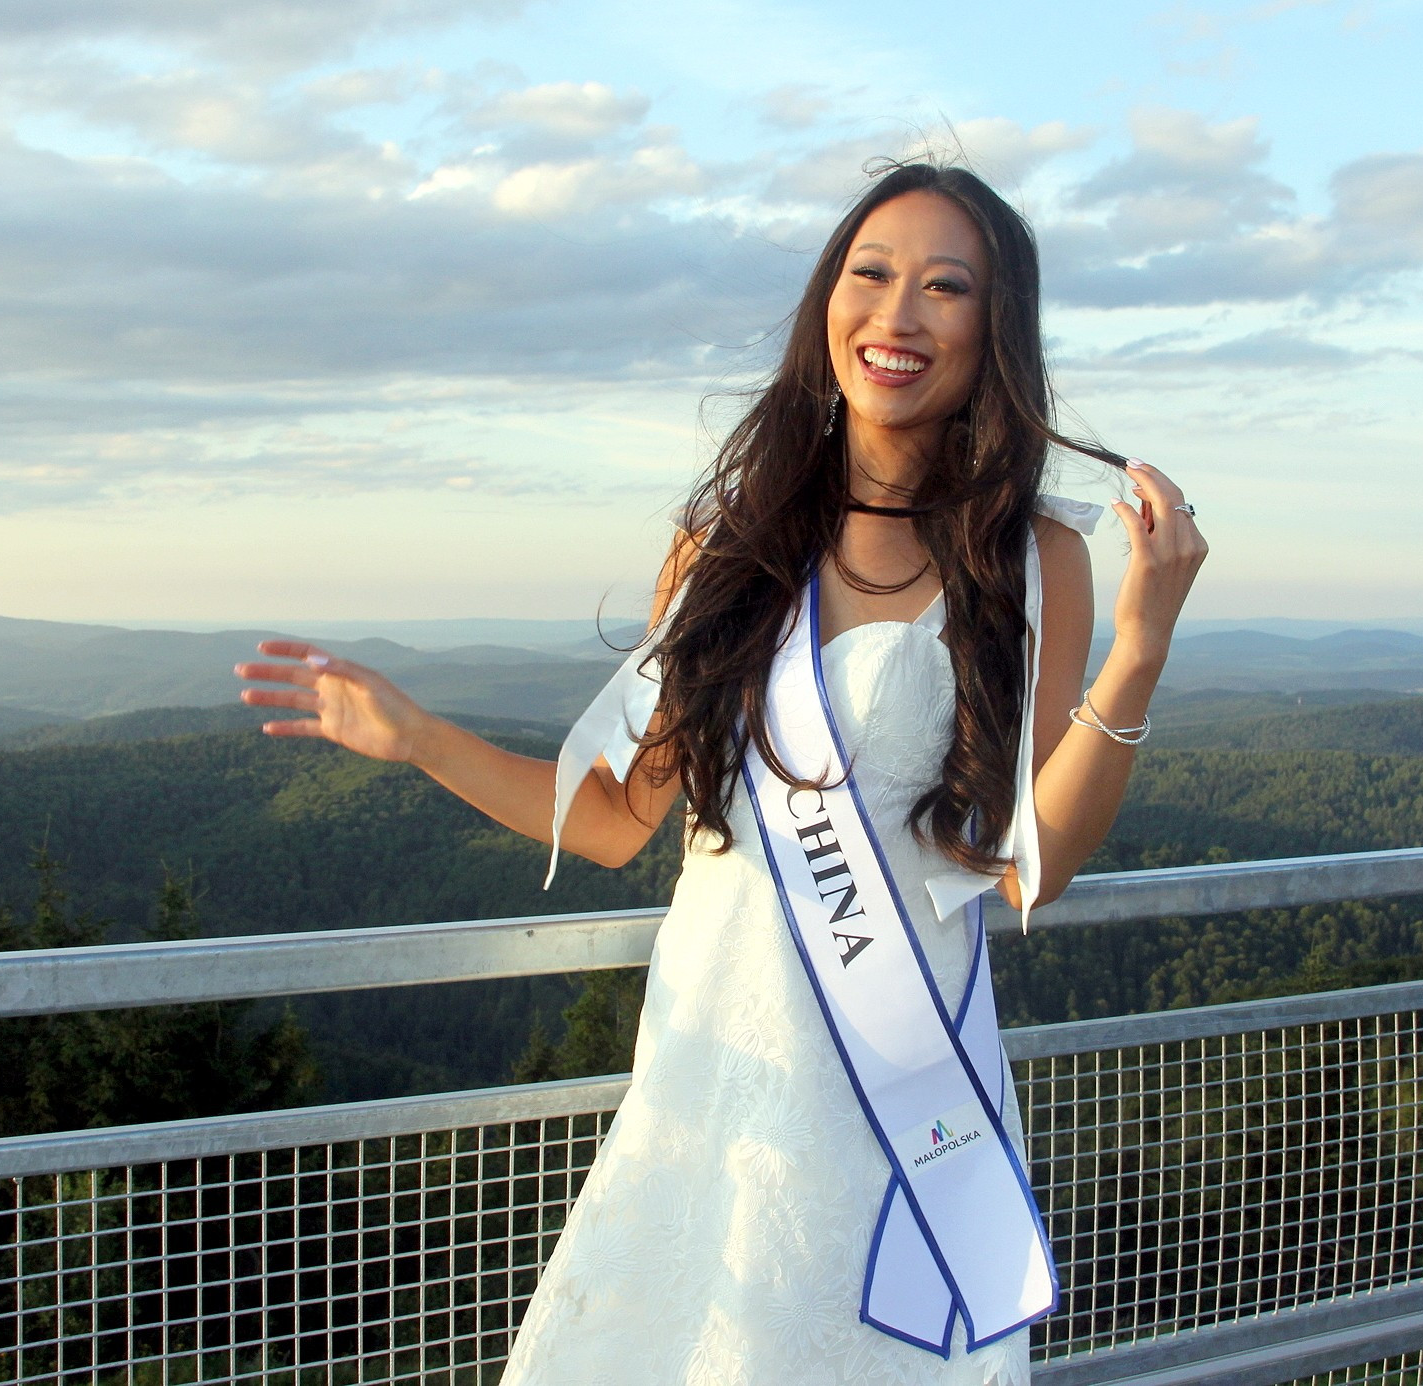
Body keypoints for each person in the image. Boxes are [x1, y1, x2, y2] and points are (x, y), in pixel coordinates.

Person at [236, 161, 1207, 1385]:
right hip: (710, 1090)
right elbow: (607, 823)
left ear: (994, 328)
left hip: (895, 1109)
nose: (896, 314)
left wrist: (1141, 649)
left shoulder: (1033, 560)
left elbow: (1035, 869)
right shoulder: (724, 547)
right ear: (827, 304)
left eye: (944, 287)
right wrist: (415, 737)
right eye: (871, 274)